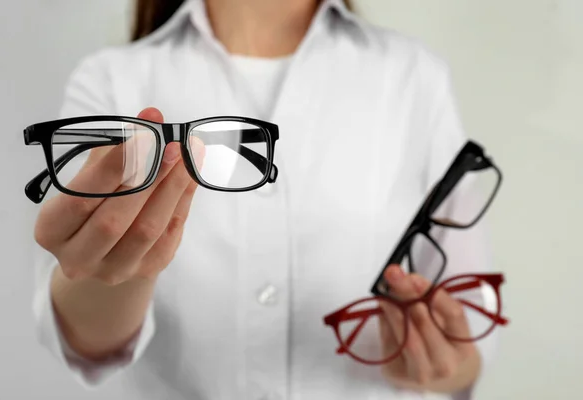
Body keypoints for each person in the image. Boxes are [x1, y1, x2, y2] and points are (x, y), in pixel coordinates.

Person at [31, 0, 498, 399]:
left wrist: (441, 362)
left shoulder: (414, 78)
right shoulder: (113, 79)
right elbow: (86, 344)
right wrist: (113, 266)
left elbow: (472, 329)